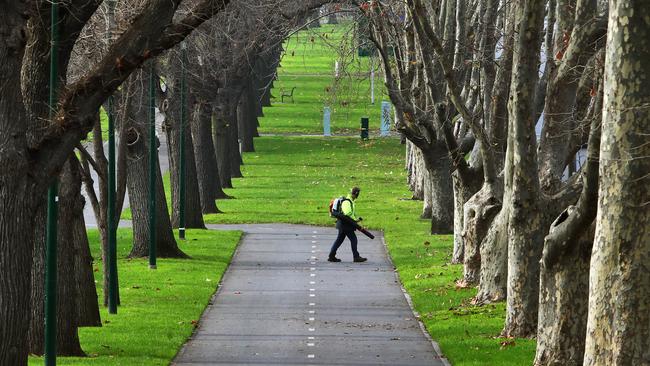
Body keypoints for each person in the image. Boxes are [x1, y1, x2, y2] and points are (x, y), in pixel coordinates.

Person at [328, 187, 367, 262]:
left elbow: (349, 214)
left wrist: (356, 220)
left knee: (339, 240)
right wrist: (354, 221)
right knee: (354, 240)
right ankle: (356, 257)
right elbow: (347, 214)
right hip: (346, 225)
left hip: (344, 224)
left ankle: (331, 256)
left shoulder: (350, 201)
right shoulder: (347, 202)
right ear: (356, 194)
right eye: (358, 193)